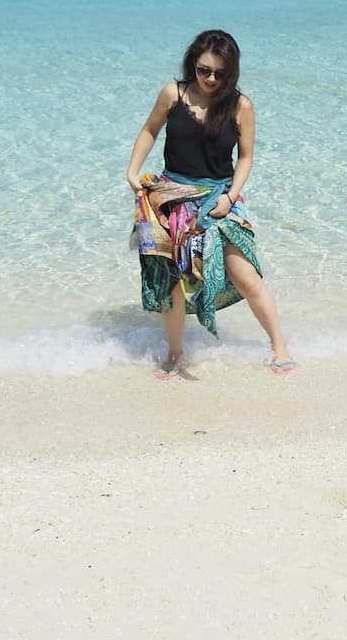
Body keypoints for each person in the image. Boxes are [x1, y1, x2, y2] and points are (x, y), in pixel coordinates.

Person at [126, 29, 295, 379]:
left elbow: (246, 157)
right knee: (173, 284)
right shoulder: (173, 94)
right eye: (204, 70)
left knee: (245, 274)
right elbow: (150, 130)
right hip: (171, 198)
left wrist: (230, 197)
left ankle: (279, 346)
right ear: (193, 63)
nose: (211, 79)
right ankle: (175, 353)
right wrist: (132, 171)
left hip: (220, 197)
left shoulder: (240, 105)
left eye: (220, 73)